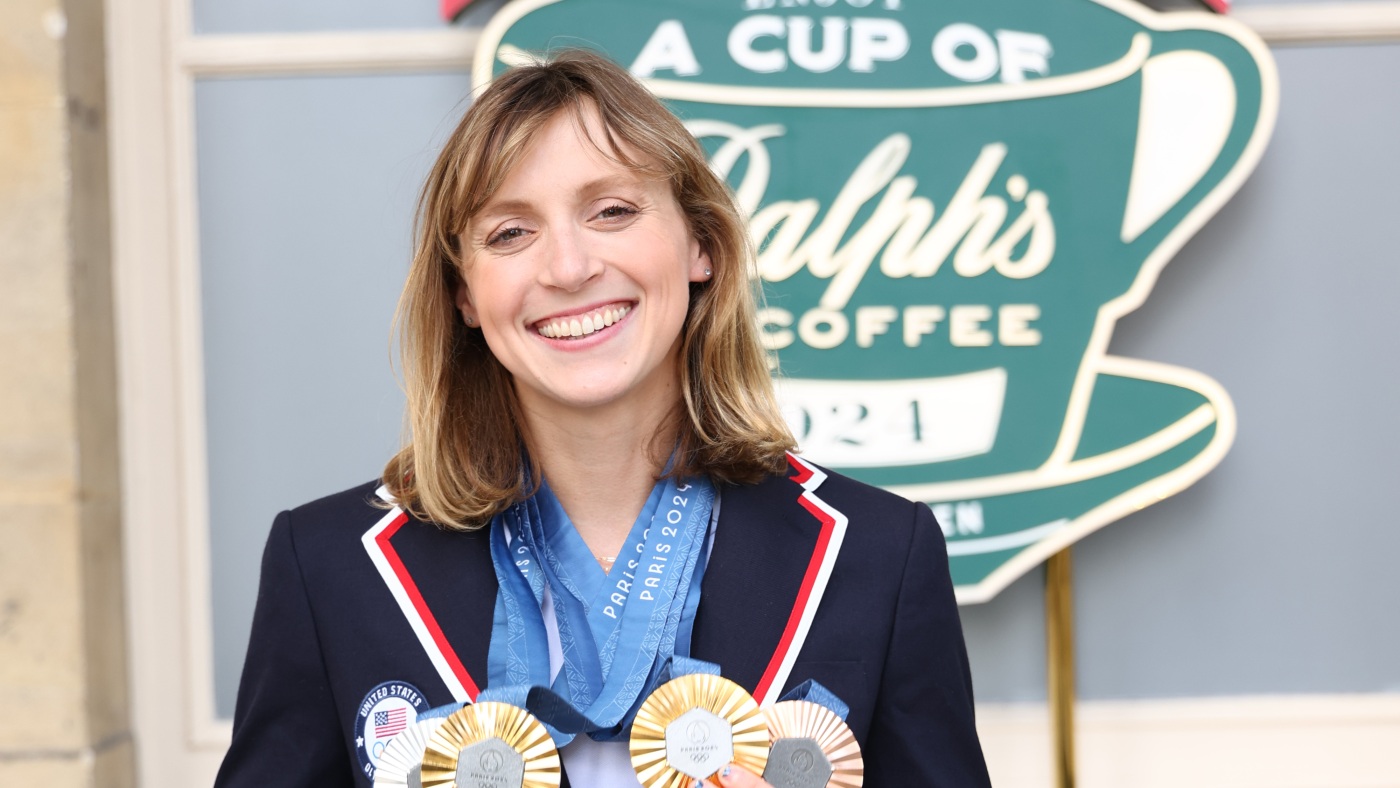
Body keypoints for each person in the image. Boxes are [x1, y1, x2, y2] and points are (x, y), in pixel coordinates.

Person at [215, 49, 990, 788]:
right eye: (510, 233)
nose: (569, 267)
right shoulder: (330, 568)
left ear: (701, 247)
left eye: (612, 211)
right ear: (464, 295)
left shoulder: (879, 554)